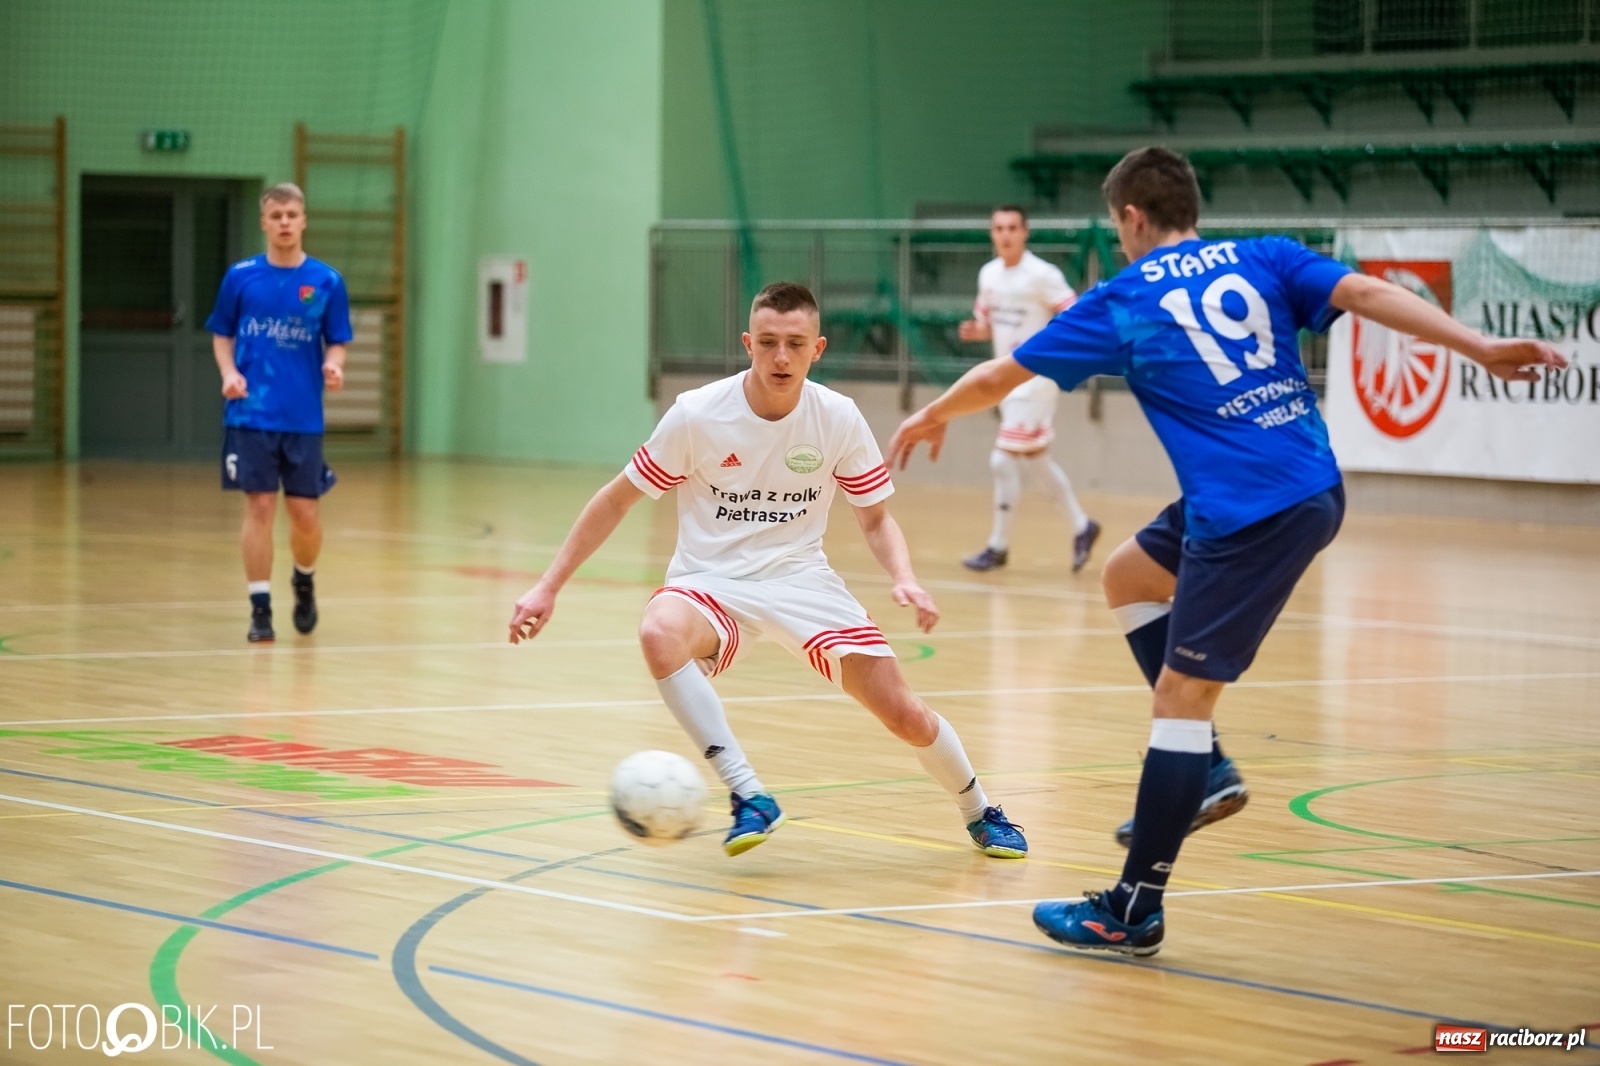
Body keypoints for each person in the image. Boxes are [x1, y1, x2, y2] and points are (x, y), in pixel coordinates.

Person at [889, 148, 1564, 956]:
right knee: (1127, 574)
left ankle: (1132, 907)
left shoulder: (1126, 298)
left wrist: (933, 413)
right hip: (1305, 483)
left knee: (1179, 700)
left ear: (1132, 219)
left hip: (1250, 512)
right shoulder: (1265, 255)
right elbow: (1370, 291)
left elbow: (1004, 374)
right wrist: (1478, 346)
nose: (1121, 238)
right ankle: (1205, 769)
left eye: (1118, 227)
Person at [508, 281, 1027, 860]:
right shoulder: (698, 415)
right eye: (770, 343)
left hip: (801, 581)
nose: (782, 357)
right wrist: (547, 586)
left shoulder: (837, 418)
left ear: (818, 349)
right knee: (658, 630)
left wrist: (903, 576)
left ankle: (980, 810)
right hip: (711, 584)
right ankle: (749, 794)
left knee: (905, 714)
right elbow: (615, 500)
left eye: (796, 344)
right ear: (748, 343)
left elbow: (875, 519)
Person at [207, 183, 351, 644]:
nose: (285, 222)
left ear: (304, 220)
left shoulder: (326, 281)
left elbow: (338, 339)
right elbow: (222, 333)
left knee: (305, 514)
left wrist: (333, 364)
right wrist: (228, 372)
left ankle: (303, 580)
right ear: (264, 223)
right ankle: (260, 607)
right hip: (251, 415)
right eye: (277, 216)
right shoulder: (241, 277)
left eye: (292, 214)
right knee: (261, 505)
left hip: (303, 416)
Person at [958, 205, 1100, 573]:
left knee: (1002, 458)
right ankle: (1083, 526)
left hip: (1035, 378)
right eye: (998, 228)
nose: (1005, 234)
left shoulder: (1043, 274)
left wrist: (1052, 354)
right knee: (1035, 457)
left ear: (1025, 232)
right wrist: (979, 332)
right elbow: (988, 323)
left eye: (1012, 228)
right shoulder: (988, 275)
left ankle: (998, 546)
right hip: (1006, 378)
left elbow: (1073, 315)